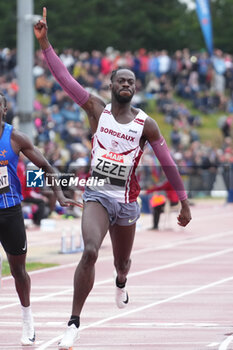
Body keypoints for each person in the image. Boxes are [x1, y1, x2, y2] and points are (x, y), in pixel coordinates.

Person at [34, 8, 192, 349]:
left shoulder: (146, 125)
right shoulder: (95, 109)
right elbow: (64, 78)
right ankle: (74, 322)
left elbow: (167, 162)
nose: (126, 85)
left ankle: (121, 280)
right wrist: (45, 44)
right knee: (90, 251)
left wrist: (183, 201)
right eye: (121, 80)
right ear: (111, 84)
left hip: (127, 201)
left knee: (121, 262)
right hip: (97, 195)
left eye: (131, 81)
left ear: (136, 88)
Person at [0, 92, 81, 346]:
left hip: (10, 212)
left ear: (4, 109)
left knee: (18, 270)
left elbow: (47, 166)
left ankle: (27, 320)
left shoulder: (15, 138)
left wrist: (59, 195)